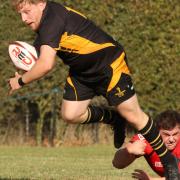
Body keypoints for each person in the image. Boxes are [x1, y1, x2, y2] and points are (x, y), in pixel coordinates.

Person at [8, 1, 179, 179]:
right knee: (70, 114)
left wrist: (20, 81)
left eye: (26, 12)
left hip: (110, 65)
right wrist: (27, 64)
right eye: (20, 14)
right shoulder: (45, 21)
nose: (23, 19)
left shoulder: (52, 19)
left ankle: (169, 162)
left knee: (133, 115)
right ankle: (114, 118)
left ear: (41, 3)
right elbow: (40, 53)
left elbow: (46, 64)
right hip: (82, 73)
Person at [113, 110, 180, 179]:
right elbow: (117, 164)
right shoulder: (147, 139)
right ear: (156, 132)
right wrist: (128, 151)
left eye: (175, 134)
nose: (171, 140)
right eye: (166, 134)